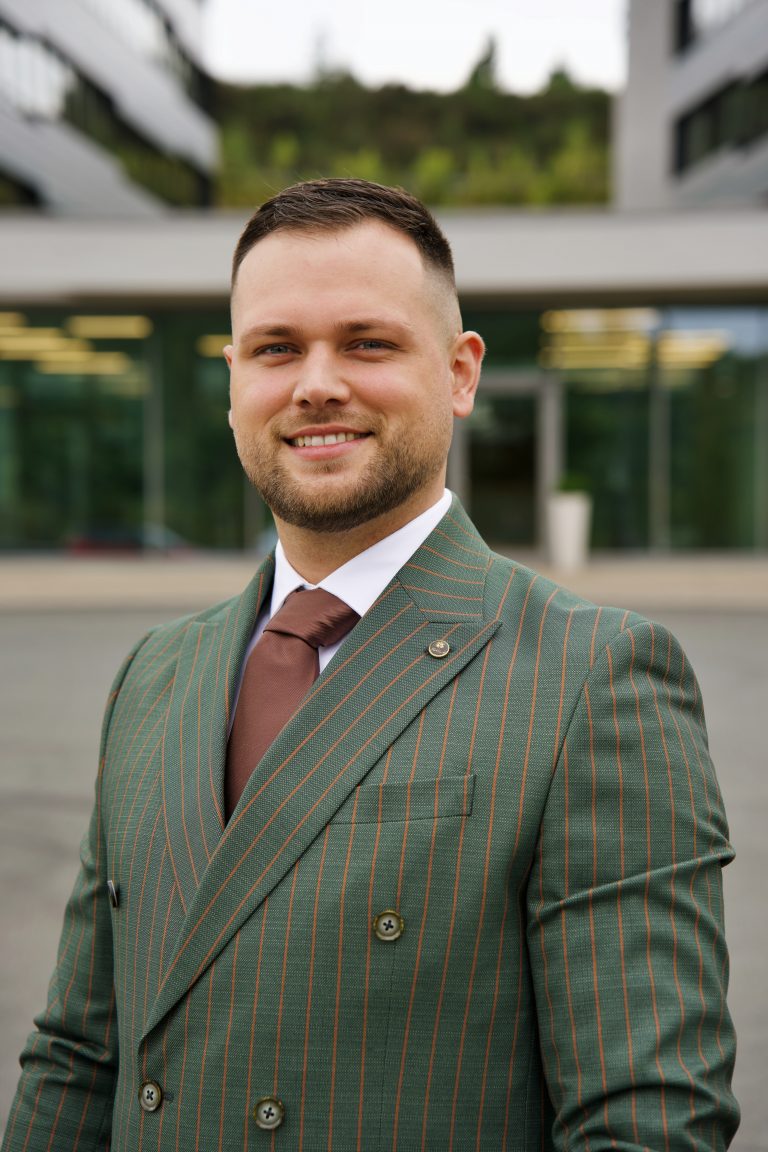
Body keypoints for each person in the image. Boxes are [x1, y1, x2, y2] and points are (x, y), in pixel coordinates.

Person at [3, 179, 739, 1152]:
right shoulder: (155, 674)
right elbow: (77, 1057)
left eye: (367, 343)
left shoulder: (594, 677)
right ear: (233, 381)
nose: (316, 384)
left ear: (460, 373)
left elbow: (644, 1119)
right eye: (276, 348)